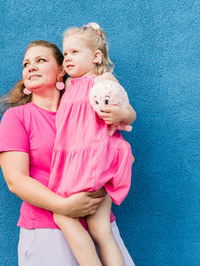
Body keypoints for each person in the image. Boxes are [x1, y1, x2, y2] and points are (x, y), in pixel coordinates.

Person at [0, 40, 134, 265]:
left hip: (98, 226)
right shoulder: (18, 117)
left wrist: (125, 114)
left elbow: (115, 149)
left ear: (61, 70)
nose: (31, 67)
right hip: (46, 232)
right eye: (26, 63)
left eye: (41, 60)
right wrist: (64, 207)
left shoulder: (86, 109)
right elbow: (16, 180)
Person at [48, 23, 136, 266]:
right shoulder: (68, 85)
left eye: (75, 53)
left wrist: (122, 115)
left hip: (93, 160)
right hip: (78, 160)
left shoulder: (103, 79)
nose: (67, 59)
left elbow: (129, 112)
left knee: (63, 215)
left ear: (96, 57)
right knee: (100, 229)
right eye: (65, 54)